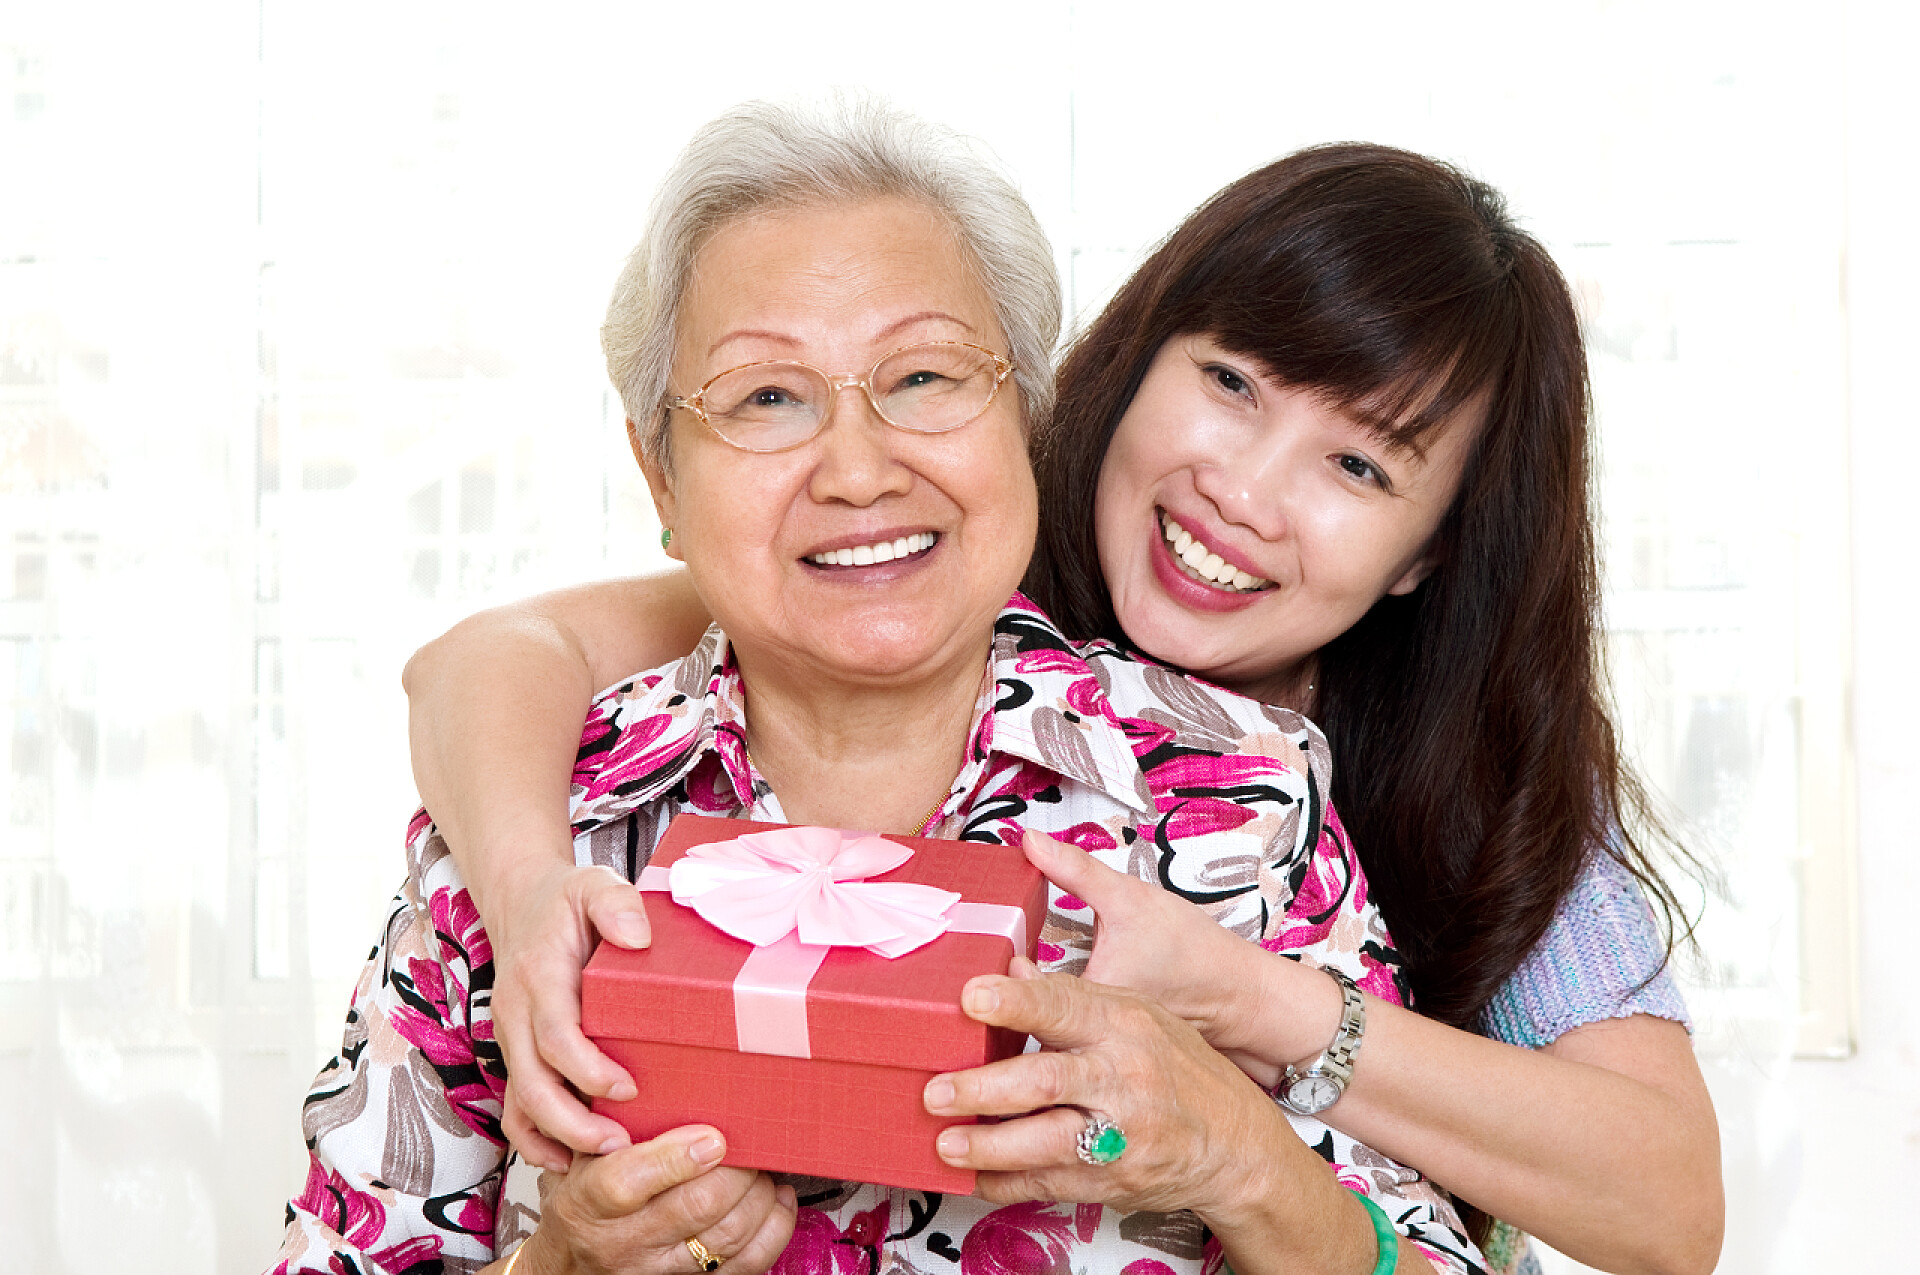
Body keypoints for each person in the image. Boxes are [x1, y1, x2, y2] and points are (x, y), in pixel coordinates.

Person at [401, 135, 1725, 1275]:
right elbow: (492, 657)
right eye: (1232, 385)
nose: (1243, 496)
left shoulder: (1399, 767)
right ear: (1127, 360)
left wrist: (1252, 1014)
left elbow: (1668, 1207)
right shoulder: (908, 573)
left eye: (1360, 466)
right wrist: (523, 896)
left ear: (1429, 553)